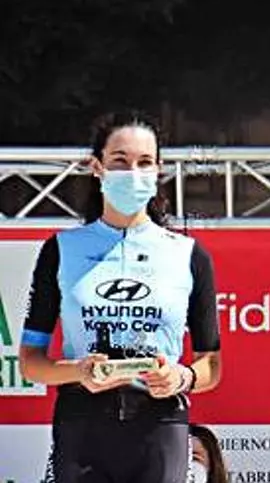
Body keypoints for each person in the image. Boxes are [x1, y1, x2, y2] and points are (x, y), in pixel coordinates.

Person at [18, 111, 223, 482]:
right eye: (120, 161)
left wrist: (181, 377)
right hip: (82, 424)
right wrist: (78, 371)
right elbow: (31, 362)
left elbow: (212, 365)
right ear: (97, 167)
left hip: (160, 424)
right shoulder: (61, 250)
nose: (133, 172)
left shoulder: (188, 254)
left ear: (158, 170)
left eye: (144, 162)